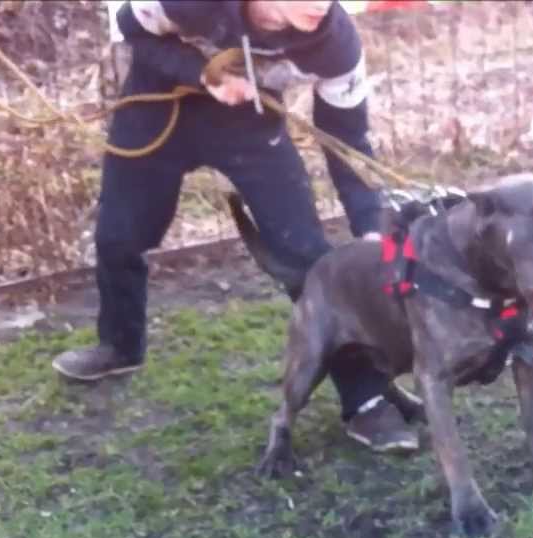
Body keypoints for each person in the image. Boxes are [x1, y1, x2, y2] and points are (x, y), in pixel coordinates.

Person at [52, 0, 419, 453]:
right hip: (155, 106)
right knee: (117, 236)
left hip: (250, 123)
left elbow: (347, 140)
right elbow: (132, 27)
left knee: (306, 258)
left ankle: (365, 401)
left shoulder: (337, 45)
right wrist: (201, 73)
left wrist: (371, 225)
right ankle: (120, 347)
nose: (319, 5)